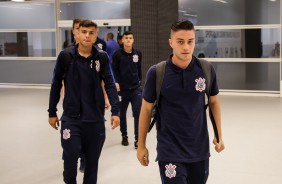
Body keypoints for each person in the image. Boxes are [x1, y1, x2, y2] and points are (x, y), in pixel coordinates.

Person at [137, 20, 225, 184]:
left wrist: (219, 135)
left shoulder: (205, 69)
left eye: (190, 41)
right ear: (171, 42)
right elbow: (146, 109)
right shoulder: (157, 73)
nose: (186, 47)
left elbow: (213, 102)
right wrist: (141, 145)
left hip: (199, 151)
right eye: (180, 41)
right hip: (169, 151)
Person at [48, 19, 120, 184]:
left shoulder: (101, 57)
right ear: (77, 33)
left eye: (91, 33)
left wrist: (115, 112)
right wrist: (52, 112)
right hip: (71, 120)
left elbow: (109, 84)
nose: (87, 36)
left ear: (96, 36)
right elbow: (56, 84)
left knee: (91, 166)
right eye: (84, 32)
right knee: (70, 160)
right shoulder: (66, 56)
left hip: (95, 121)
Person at [112, 31, 142, 149]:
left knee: (137, 113)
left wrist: (139, 81)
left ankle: (137, 139)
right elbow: (114, 70)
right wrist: (116, 82)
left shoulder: (138, 53)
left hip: (135, 89)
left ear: (133, 40)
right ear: (122, 40)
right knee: (122, 114)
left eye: (130, 38)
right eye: (126, 38)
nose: (128, 40)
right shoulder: (117, 54)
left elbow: (139, 68)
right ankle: (124, 136)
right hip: (122, 90)